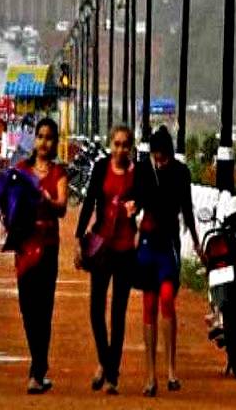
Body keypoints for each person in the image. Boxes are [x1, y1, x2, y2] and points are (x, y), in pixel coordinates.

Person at [133, 125, 201, 397]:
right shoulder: (143, 171)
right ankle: (150, 374)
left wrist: (196, 241)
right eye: (156, 158)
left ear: (171, 155)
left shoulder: (181, 173)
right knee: (149, 304)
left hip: (169, 244)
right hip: (148, 242)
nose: (159, 163)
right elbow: (136, 203)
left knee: (166, 299)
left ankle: (171, 368)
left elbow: (187, 208)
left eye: (164, 158)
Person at [75, 124, 138, 395]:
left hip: (126, 249)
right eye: (117, 144)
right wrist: (79, 238)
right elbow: (89, 202)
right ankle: (104, 360)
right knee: (95, 308)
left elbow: (145, 204)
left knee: (118, 313)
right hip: (102, 246)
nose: (121, 149)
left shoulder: (139, 174)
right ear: (111, 145)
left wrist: (137, 212)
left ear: (131, 147)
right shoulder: (101, 168)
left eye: (125, 144)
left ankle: (112, 374)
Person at [13, 117, 68, 394]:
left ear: (55, 143)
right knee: (27, 307)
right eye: (41, 136)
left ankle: (37, 371)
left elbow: (62, 207)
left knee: (43, 309)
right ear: (34, 140)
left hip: (47, 248)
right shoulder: (21, 171)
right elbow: (9, 202)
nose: (44, 142)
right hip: (24, 247)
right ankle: (39, 363)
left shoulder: (59, 174)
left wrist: (47, 200)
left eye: (49, 137)